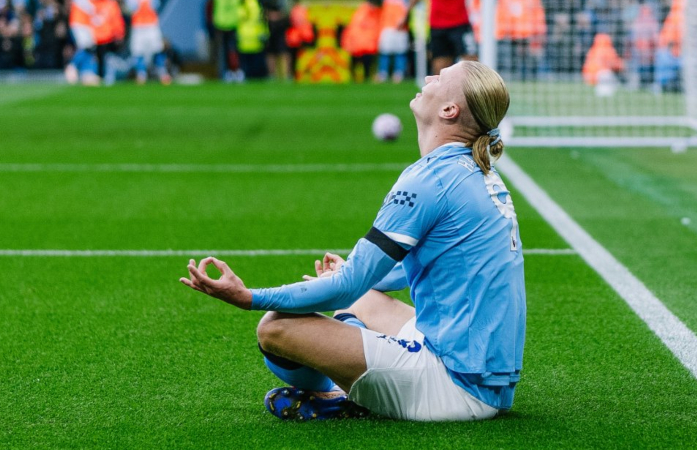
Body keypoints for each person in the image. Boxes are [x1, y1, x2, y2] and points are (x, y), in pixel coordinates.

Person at [180, 60, 526, 422]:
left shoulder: (430, 179)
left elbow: (345, 288)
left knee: (275, 328)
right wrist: (352, 280)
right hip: (487, 382)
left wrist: (248, 297)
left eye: (439, 78)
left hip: (454, 387)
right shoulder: (478, 171)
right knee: (363, 299)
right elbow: (438, 268)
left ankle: (338, 394)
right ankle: (352, 379)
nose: (428, 78)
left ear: (449, 110)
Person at [408, 0, 477, 74]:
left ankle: (474, 84)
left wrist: (406, 15)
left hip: (458, 22)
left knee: (470, 62)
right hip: (440, 24)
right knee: (441, 65)